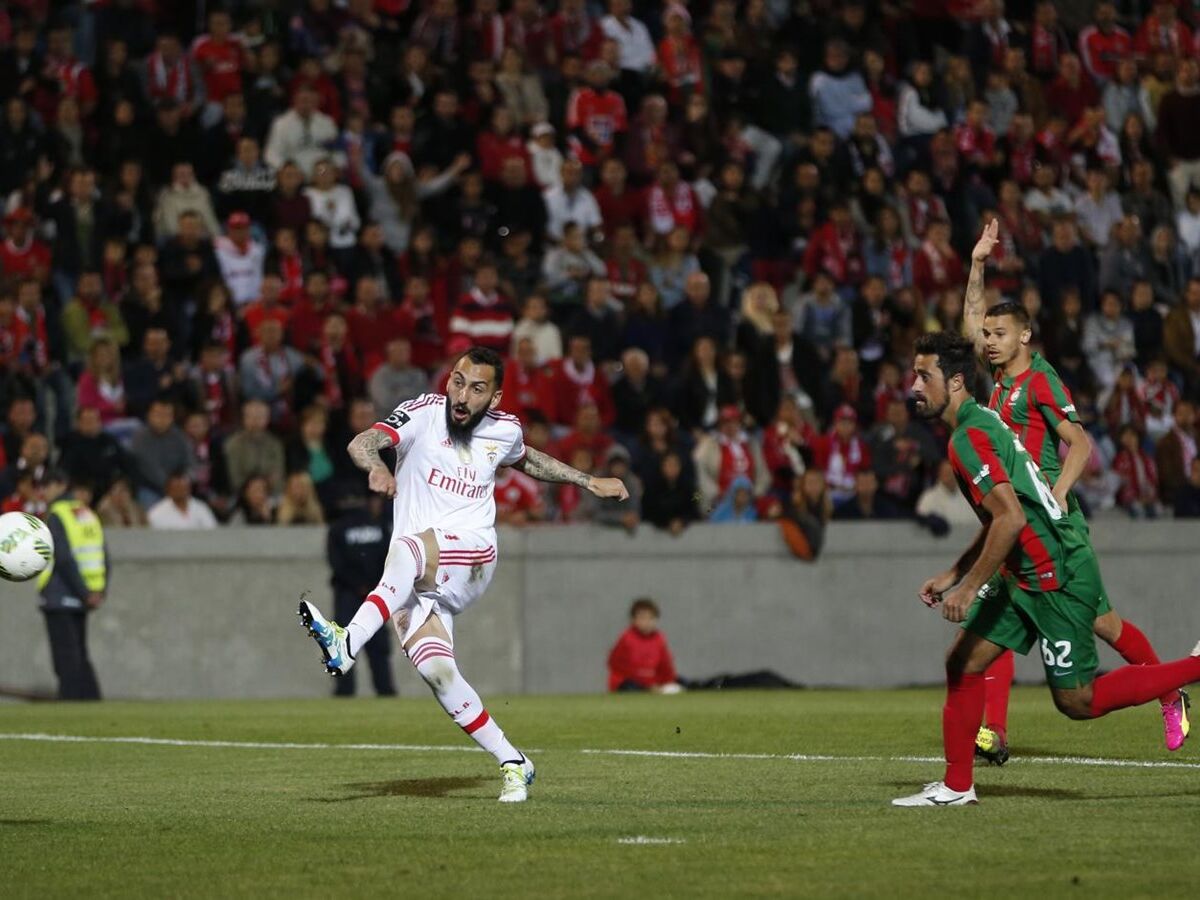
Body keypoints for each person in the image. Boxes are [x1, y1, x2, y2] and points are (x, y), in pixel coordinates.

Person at [298, 347, 629, 802]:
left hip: (472, 556)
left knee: (411, 550)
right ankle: (514, 762)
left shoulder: (504, 428)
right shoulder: (422, 414)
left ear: (494, 398)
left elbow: (526, 457)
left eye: (477, 388)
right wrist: (376, 466)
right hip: (414, 576)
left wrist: (587, 481)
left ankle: (347, 641)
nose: (462, 394)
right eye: (457, 380)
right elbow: (362, 442)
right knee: (438, 673)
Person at [893, 331, 1200, 807]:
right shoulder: (977, 423)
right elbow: (1000, 514)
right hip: (1023, 572)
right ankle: (956, 787)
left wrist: (970, 587)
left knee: (1077, 701)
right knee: (963, 663)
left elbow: (1010, 518)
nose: (913, 386)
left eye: (923, 375)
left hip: (1050, 574)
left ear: (955, 382)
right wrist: (956, 573)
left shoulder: (970, 436)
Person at [962, 221, 1187, 764]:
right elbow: (970, 320)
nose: (988, 341)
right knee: (994, 619)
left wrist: (1059, 492)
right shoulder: (997, 381)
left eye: (999, 334)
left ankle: (1169, 689)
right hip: (1020, 526)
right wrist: (976, 264)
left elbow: (1081, 444)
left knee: (1101, 627)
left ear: (1025, 336)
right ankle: (994, 731)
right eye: (987, 335)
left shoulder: (1040, 380)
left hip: (1054, 529)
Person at [37, 472, 106, 701]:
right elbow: (104, 555)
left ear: (60, 485)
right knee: (79, 653)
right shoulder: (87, 514)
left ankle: (70, 702)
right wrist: (97, 591)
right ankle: (91, 700)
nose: (43, 491)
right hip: (84, 594)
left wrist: (84, 592)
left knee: (66, 657)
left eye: (47, 485)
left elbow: (64, 558)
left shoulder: (57, 514)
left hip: (61, 594)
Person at [325, 494, 396, 698]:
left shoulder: (338, 527)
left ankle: (344, 691)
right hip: (374, 593)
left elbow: (336, 562)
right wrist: (371, 584)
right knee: (378, 645)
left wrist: (356, 584)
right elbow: (387, 559)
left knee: (343, 644)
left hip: (348, 592)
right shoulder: (379, 527)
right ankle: (385, 690)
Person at [606, 597, 682, 693]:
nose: (647, 623)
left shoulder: (659, 639)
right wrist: (646, 680)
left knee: (680, 680)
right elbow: (615, 663)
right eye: (642, 618)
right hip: (628, 681)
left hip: (652, 681)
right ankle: (649, 691)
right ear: (633, 620)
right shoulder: (626, 638)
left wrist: (669, 680)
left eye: (651, 618)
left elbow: (665, 664)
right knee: (630, 687)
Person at [147, 470, 219, 529]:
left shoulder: (201, 508)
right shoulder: (155, 514)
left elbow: (212, 530)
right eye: (177, 488)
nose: (181, 492)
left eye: (184, 488)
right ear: (168, 490)